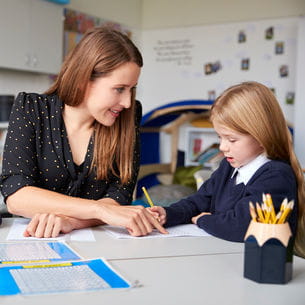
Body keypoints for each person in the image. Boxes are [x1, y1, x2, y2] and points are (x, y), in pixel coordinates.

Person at [0, 26, 167, 238]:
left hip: (97, 240)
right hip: (32, 239)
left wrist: (71, 222)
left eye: (132, 89)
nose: (127, 102)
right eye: (119, 89)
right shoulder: (30, 108)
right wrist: (99, 209)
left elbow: (120, 194)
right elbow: (17, 196)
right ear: (83, 80)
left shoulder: (129, 114)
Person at [149, 81, 305, 257]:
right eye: (219, 137)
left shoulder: (275, 175)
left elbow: (240, 226)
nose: (222, 147)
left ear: (262, 137)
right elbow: (199, 201)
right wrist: (168, 214)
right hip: (224, 257)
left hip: (257, 267)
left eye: (231, 140)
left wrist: (203, 220)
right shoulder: (228, 167)